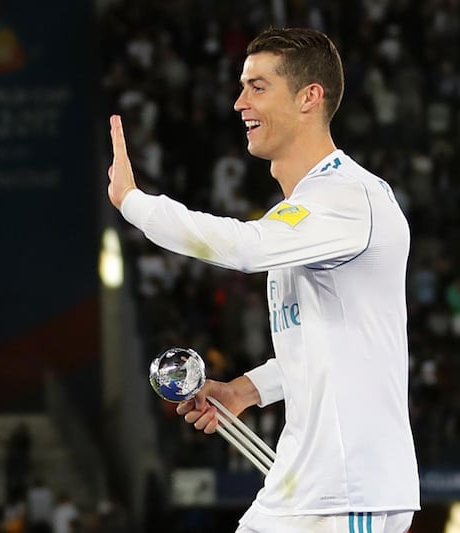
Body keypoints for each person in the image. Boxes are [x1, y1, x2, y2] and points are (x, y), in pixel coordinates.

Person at [107, 28, 419, 533]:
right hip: (299, 487)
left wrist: (133, 203)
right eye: (241, 86)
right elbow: (321, 344)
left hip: (349, 487)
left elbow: (246, 248)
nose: (238, 103)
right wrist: (244, 391)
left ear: (308, 98)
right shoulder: (306, 213)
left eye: (257, 87)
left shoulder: (348, 197)